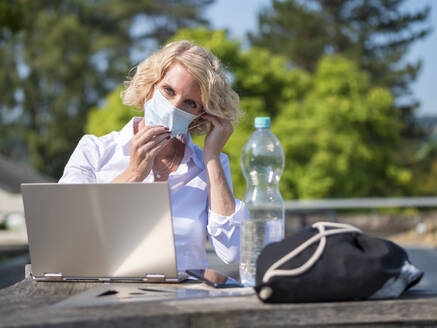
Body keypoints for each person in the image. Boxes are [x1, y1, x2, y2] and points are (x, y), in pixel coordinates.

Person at [59, 40, 249, 271]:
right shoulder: (94, 150)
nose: (173, 106)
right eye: (168, 91)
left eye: (189, 103)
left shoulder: (210, 165)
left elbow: (233, 252)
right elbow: (66, 234)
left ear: (201, 116)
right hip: (105, 295)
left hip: (182, 301)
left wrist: (212, 157)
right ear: (150, 86)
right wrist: (133, 174)